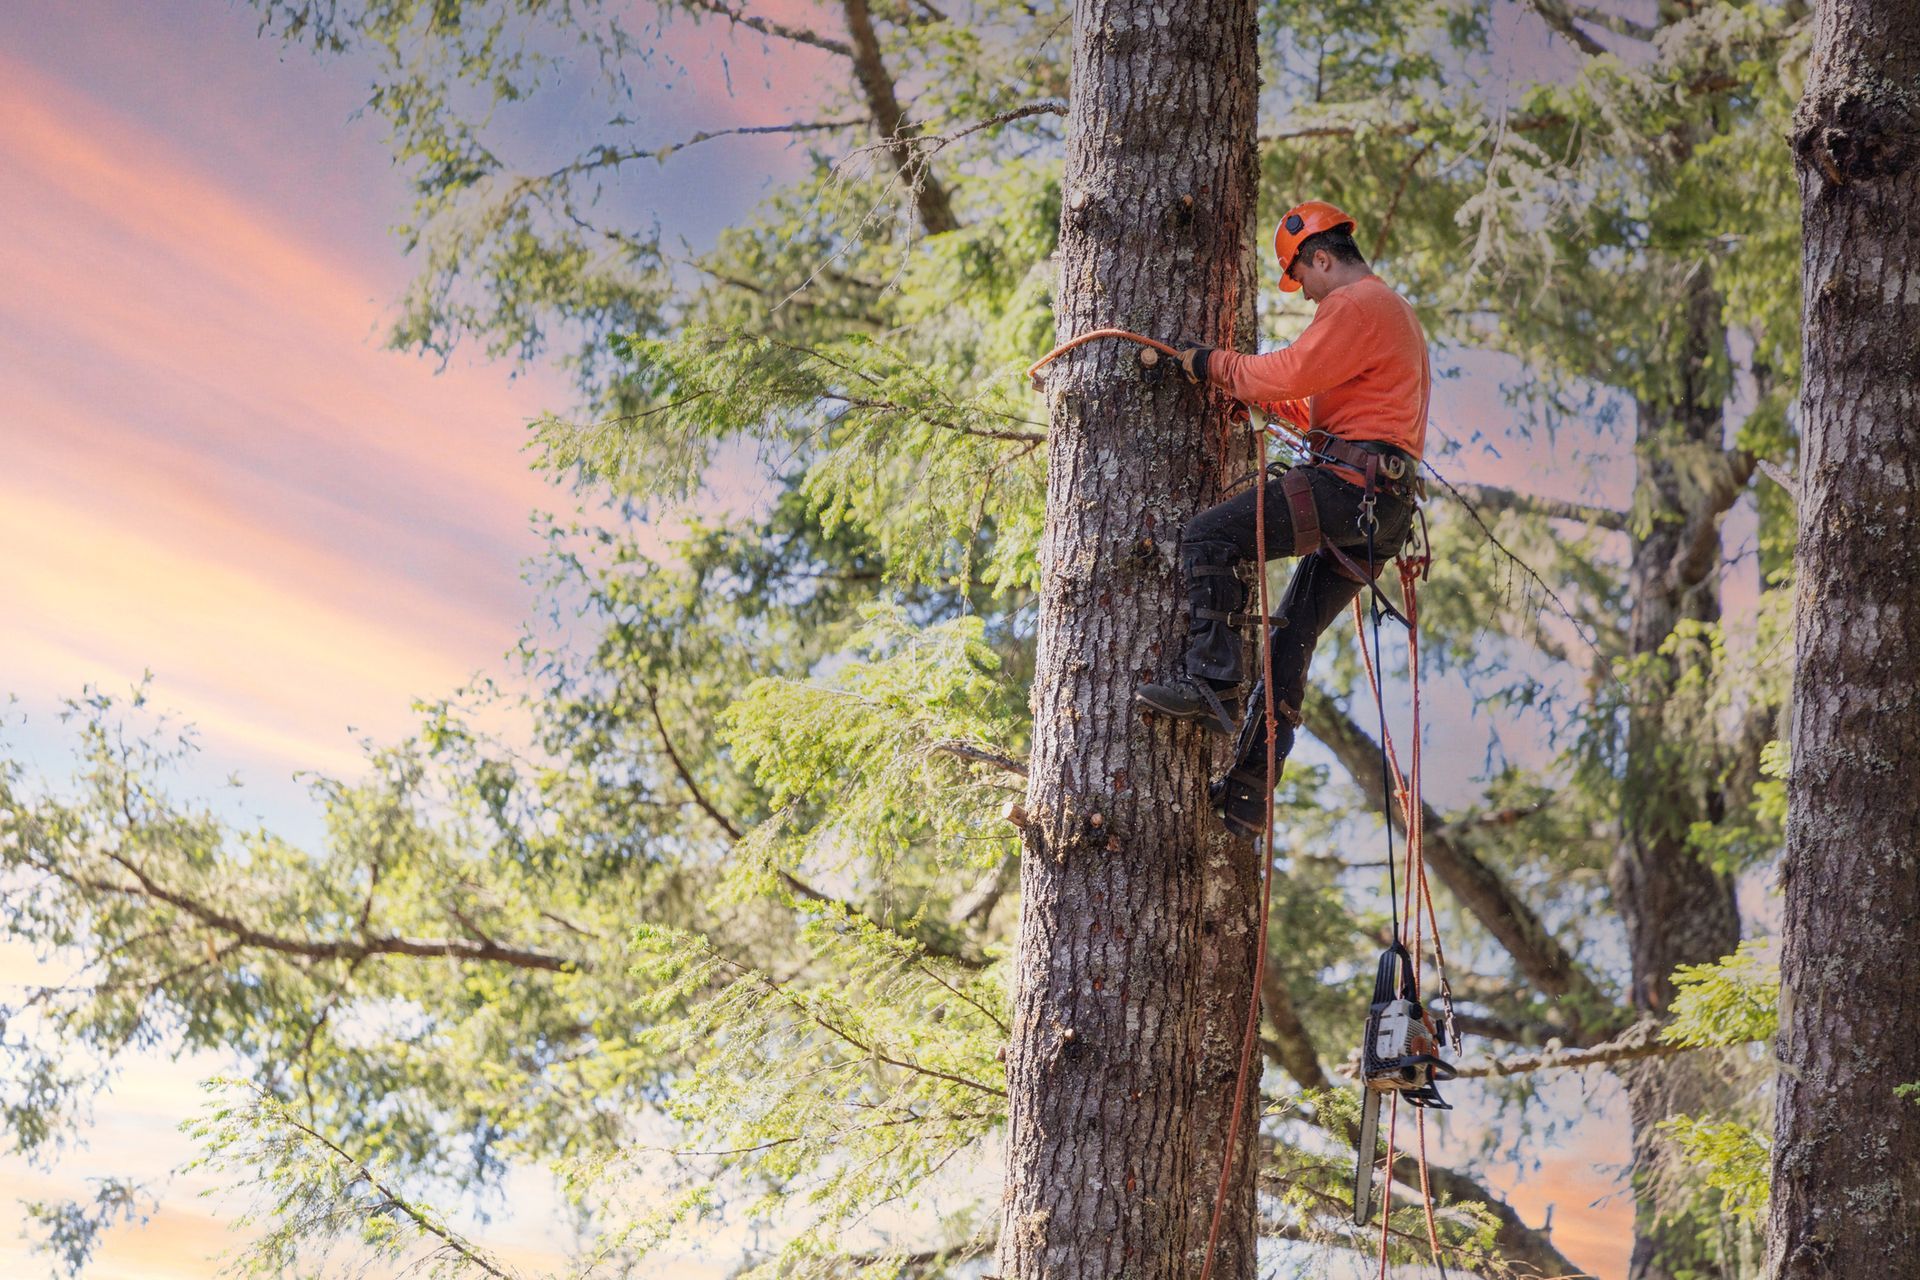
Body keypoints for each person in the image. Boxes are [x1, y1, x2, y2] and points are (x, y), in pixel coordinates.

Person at [1135, 201, 1431, 837]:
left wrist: (1212, 364)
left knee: (1208, 535)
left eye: (1305, 279)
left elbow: (1293, 369)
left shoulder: (1355, 305)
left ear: (1320, 257)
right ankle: (1247, 796)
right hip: (1379, 508)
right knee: (1291, 639)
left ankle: (1210, 681)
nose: (1307, 298)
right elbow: (1325, 397)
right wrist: (1257, 395)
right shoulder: (1388, 313)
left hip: (1349, 490)